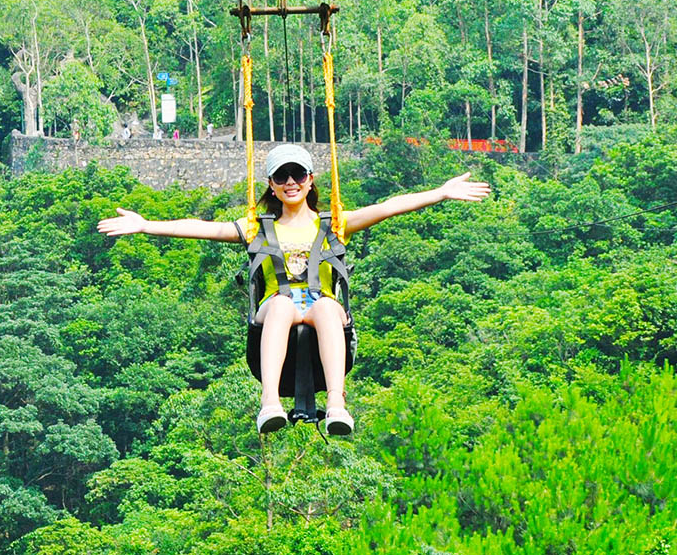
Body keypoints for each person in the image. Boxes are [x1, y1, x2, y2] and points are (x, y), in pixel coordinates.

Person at [97, 144, 490, 436]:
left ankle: (336, 402)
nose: (290, 183)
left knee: (324, 308)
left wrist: (439, 193)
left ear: (310, 180)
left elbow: (389, 206)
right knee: (284, 303)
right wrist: (147, 224)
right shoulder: (257, 227)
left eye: (297, 176)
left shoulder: (332, 223)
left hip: (321, 306)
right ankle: (270, 402)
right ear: (270, 184)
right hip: (276, 308)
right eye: (282, 177)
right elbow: (201, 228)